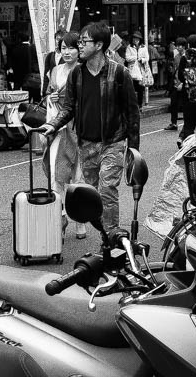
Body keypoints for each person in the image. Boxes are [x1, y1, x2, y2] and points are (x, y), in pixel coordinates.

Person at [39, 21, 139, 233]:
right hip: (86, 145)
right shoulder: (77, 75)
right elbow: (68, 109)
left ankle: (112, 236)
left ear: (99, 45)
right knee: (91, 193)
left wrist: (133, 151)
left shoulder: (120, 74)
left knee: (107, 189)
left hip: (113, 143)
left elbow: (132, 115)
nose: (80, 46)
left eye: (84, 42)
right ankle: (104, 233)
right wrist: (53, 125)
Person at [39, 32, 80, 222]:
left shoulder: (84, 71)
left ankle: (80, 221)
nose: (67, 51)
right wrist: (51, 97)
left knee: (78, 177)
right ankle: (61, 216)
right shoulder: (55, 71)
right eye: (63, 47)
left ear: (80, 50)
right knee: (57, 173)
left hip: (78, 127)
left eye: (71, 47)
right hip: (57, 126)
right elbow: (47, 93)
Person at [166, 37, 187, 131]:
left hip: (184, 83)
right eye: (177, 46)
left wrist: (183, 83)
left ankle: (187, 124)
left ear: (184, 46)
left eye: (180, 46)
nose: (178, 48)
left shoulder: (187, 56)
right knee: (173, 103)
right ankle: (173, 123)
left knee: (185, 104)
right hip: (175, 82)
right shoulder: (176, 55)